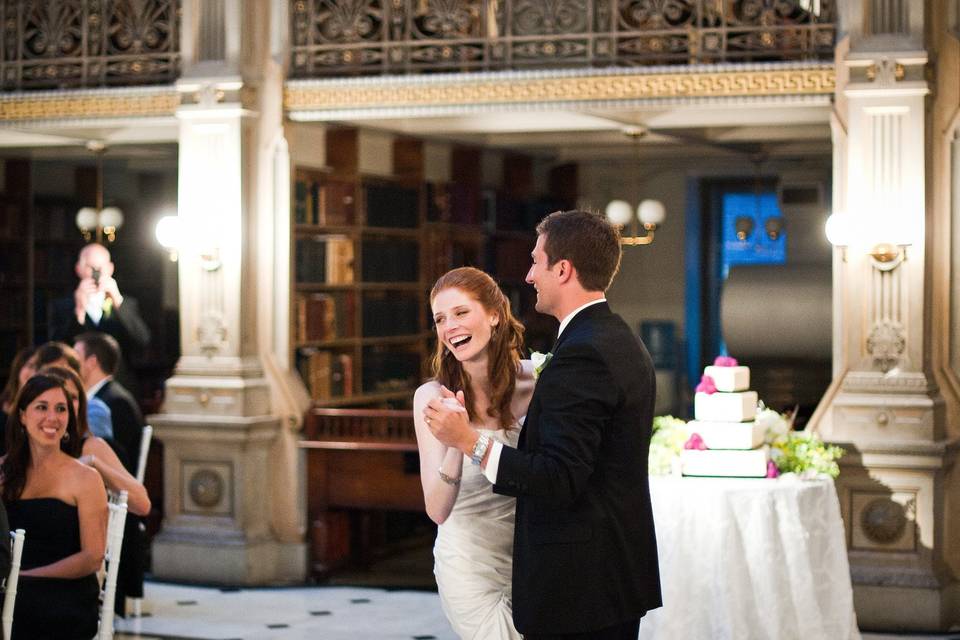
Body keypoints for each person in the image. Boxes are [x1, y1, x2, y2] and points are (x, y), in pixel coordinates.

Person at [425, 210, 662, 639]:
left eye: (536, 261)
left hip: (583, 579)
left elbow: (559, 476)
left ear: (563, 270)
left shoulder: (582, 354)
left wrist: (469, 442)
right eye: (440, 318)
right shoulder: (615, 338)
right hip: (602, 574)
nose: (530, 274)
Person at [413, 267, 534, 640]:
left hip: (532, 560)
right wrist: (455, 441)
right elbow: (437, 510)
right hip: (468, 564)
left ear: (494, 314)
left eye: (461, 313)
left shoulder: (538, 383)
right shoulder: (431, 397)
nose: (450, 326)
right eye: (440, 319)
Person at [2, 373, 107, 640]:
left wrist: (28, 576)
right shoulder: (4, 472)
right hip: (10, 587)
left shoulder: (86, 478)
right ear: (23, 416)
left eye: (61, 409)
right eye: (42, 407)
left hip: (64, 596)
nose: (52, 417)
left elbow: (92, 557)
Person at [41, 365, 150, 517]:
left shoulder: (90, 447)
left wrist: (94, 462)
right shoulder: (24, 452)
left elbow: (142, 504)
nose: (66, 404)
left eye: (73, 397)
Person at [49, 242, 150, 398]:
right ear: (79, 269)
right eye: (90, 267)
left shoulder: (127, 305)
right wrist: (80, 311)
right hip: (76, 388)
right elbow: (56, 349)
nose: (96, 274)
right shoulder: (62, 306)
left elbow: (143, 341)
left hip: (119, 387)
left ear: (110, 269)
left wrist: (118, 302)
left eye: (100, 268)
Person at [74, 332, 143, 474]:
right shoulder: (98, 397)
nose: (70, 365)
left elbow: (116, 459)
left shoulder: (117, 401)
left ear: (92, 362)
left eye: (75, 358)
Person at [30, 342, 113, 441]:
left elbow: (89, 444)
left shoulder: (95, 409)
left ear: (76, 374)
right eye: (50, 375)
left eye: (62, 373)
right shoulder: (31, 407)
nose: (57, 381)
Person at [0, 346, 36, 455]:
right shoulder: (2, 401)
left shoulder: (42, 406)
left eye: (37, 367)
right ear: (19, 368)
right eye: (29, 366)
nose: (33, 371)